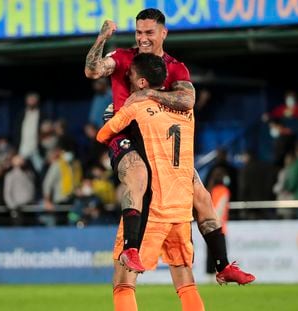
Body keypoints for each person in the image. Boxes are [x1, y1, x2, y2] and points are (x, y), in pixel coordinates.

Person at [85, 8, 254, 284]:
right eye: (139, 32)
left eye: (149, 32)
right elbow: (92, 70)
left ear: (163, 33)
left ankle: (223, 266)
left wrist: (146, 95)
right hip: (125, 135)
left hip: (160, 142)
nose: (143, 38)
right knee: (137, 174)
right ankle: (131, 248)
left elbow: (187, 100)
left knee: (200, 194)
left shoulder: (176, 67)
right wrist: (102, 37)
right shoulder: (123, 57)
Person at [97, 53, 205, 311]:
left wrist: (111, 119)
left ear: (142, 82)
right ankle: (223, 262)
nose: (128, 80)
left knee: (124, 282)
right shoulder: (185, 111)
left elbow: (104, 135)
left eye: (131, 76)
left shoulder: (137, 107)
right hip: (179, 207)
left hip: (149, 206)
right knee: (185, 280)